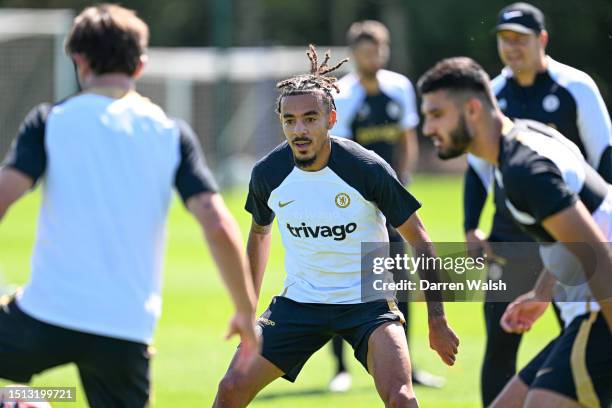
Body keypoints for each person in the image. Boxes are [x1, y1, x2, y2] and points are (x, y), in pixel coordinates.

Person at [0, 5, 257, 407]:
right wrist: (245, 311)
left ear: (78, 60)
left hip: (43, 315)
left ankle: (21, 402)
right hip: (125, 330)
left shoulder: (51, 121)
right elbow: (218, 223)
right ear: (140, 65)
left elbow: (2, 197)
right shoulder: (170, 133)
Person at [213, 45, 459, 408]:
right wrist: (246, 309)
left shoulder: (366, 168)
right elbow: (260, 235)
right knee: (231, 388)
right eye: (290, 120)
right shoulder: (268, 173)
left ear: (331, 120)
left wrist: (436, 319)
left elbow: (420, 240)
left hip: (367, 304)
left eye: (310, 118)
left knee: (402, 399)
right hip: (298, 304)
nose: (299, 129)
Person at [418, 56, 612, 408]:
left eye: (436, 115)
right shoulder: (521, 142)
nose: (428, 129)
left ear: (473, 109)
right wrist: (541, 293)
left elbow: (597, 253)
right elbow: (577, 233)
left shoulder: (525, 170)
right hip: (590, 307)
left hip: (602, 306)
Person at [463, 3, 612, 404]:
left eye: (520, 39)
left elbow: (605, 158)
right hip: (514, 237)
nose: (511, 47)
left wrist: (603, 225)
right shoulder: (491, 94)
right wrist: (470, 228)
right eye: (504, 39)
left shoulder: (575, 86)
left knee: (583, 331)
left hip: (574, 231)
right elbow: (477, 173)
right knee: (502, 334)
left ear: (542, 39)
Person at [332, 19, 440, 392]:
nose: (372, 56)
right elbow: (342, 152)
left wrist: (402, 182)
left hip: (391, 200)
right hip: (354, 201)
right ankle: (341, 368)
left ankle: (407, 363)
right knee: (346, 279)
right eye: (364, 51)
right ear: (353, 55)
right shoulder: (343, 94)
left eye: (377, 49)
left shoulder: (399, 87)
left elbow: (407, 137)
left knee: (399, 281)